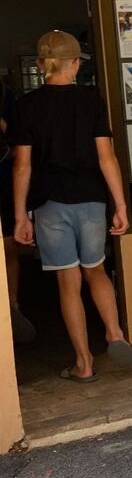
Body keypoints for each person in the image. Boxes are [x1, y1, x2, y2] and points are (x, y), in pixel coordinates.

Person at [10, 31, 132, 383]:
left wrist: (20, 215)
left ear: (41, 64)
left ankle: (84, 363)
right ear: (74, 64)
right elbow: (106, 157)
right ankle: (114, 333)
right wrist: (120, 205)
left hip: (50, 203)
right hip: (91, 200)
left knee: (68, 283)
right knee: (95, 270)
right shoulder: (90, 100)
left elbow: (22, 165)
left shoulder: (26, 106)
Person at [0, 74, 34, 344]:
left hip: (3, 177)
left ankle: (12, 306)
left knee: (9, 245)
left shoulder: (5, 95)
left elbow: (17, 144)